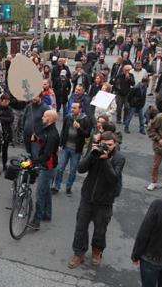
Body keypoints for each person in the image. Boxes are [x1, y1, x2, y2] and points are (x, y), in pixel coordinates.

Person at [68, 131, 126, 268]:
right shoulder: (94, 150)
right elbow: (81, 169)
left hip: (105, 201)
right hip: (87, 197)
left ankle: (96, 252)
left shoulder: (119, 158)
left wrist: (105, 159)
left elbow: (113, 179)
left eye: (110, 145)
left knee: (100, 229)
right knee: (80, 228)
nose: (107, 147)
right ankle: (79, 254)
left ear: (115, 144)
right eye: (104, 145)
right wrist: (92, 153)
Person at [27, 110, 60, 230]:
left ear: (50, 119)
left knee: (40, 194)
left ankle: (36, 221)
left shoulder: (52, 134)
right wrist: (37, 140)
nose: (42, 118)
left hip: (48, 168)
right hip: (49, 166)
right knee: (46, 191)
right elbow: (46, 144)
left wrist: (33, 162)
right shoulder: (49, 130)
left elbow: (47, 155)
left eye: (44, 116)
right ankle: (47, 214)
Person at [52, 102, 91, 195]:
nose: (72, 109)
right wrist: (60, 144)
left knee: (72, 170)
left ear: (80, 109)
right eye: (72, 107)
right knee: (60, 168)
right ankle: (56, 186)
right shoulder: (68, 117)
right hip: (65, 147)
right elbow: (63, 131)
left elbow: (87, 134)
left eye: (74, 108)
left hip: (76, 150)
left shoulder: (85, 120)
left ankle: (68, 187)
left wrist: (79, 128)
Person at [0, 94, 14, 175]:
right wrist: (4, 119)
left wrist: (1, 118)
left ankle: (5, 165)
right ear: (1, 101)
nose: (7, 103)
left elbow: (11, 119)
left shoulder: (9, 109)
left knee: (5, 150)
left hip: (7, 132)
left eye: (8, 101)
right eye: (5, 101)